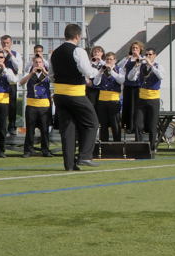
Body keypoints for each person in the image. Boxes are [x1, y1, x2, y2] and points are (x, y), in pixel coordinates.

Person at [49, 23, 99, 171]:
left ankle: (69, 165)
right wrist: (97, 71)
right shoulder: (78, 51)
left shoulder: (55, 53)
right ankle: (85, 156)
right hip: (75, 94)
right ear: (77, 36)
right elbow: (87, 71)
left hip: (59, 94)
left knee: (68, 130)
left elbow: (51, 75)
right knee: (92, 123)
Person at [18, 56, 53, 157]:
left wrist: (45, 72)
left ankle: (45, 150)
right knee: (30, 129)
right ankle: (28, 151)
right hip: (31, 105)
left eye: (40, 62)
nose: (38, 64)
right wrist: (31, 73)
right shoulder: (29, 72)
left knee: (45, 130)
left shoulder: (47, 73)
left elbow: (54, 80)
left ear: (43, 63)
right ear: (33, 63)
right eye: (36, 62)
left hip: (44, 105)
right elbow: (21, 83)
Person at [130, 47, 163, 150]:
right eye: (147, 55)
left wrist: (151, 64)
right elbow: (130, 78)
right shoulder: (141, 67)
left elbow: (161, 76)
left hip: (153, 99)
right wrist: (136, 66)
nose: (148, 56)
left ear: (154, 55)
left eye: (150, 54)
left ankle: (152, 148)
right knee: (138, 124)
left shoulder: (158, 66)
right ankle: (139, 147)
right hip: (142, 99)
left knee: (152, 125)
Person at [94, 51, 125, 143]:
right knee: (103, 125)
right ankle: (104, 145)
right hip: (102, 100)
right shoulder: (101, 69)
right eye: (107, 59)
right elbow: (96, 83)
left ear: (115, 60)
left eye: (111, 59)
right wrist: (100, 72)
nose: (109, 61)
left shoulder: (119, 69)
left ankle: (117, 144)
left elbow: (121, 81)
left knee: (115, 124)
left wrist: (111, 71)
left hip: (114, 100)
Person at [0, 35, 22, 132]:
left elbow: (18, 67)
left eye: (7, 43)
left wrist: (10, 55)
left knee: (12, 105)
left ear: (11, 43)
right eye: (4, 43)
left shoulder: (16, 54)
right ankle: (0, 126)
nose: (5, 45)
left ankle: (12, 126)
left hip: (11, 82)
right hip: (0, 83)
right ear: (1, 43)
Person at [121, 41, 143, 135]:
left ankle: (136, 126)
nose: (134, 49)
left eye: (136, 48)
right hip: (128, 85)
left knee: (136, 107)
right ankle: (128, 126)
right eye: (133, 48)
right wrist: (126, 59)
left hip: (137, 86)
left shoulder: (142, 58)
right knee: (128, 105)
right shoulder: (127, 59)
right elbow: (119, 67)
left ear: (140, 49)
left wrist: (139, 57)